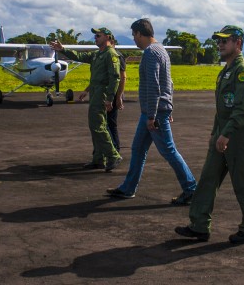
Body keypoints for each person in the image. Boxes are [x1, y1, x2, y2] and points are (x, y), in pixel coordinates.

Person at [175, 25, 244, 244]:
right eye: (219, 41)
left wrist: (226, 134)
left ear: (238, 43)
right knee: (207, 179)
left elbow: (242, 108)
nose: (220, 44)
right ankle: (199, 226)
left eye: (225, 40)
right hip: (223, 134)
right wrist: (216, 134)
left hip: (240, 135)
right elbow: (222, 108)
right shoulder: (226, 71)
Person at [106, 18, 197, 204]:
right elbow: (168, 83)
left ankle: (191, 188)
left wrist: (153, 116)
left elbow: (155, 86)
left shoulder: (150, 53)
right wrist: (167, 107)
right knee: (138, 148)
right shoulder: (162, 50)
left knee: (169, 151)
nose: (134, 40)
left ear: (140, 33)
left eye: (134, 36)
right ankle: (128, 188)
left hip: (153, 113)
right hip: (153, 111)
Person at [50, 28, 123, 172]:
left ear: (107, 37)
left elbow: (115, 78)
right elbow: (79, 56)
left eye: (98, 35)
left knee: (98, 126)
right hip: (95, 92)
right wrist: (63, 49)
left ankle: (113, 155)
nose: (95, 38)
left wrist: (110, 98)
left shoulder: (111, 55)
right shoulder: (97, 54)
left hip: (102, 93)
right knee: (94, 126)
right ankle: (98, 159)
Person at [78, 36, 126, 151]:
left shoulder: (116, 56)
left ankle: (114, 151)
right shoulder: (102, 55)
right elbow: (99, 77)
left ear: (111, 42)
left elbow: (122, 78)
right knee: (101, 124)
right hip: (104, 93)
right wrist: (87, 90)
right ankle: (102, 153)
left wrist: (118, 97)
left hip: (112, 94)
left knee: (109, 124)